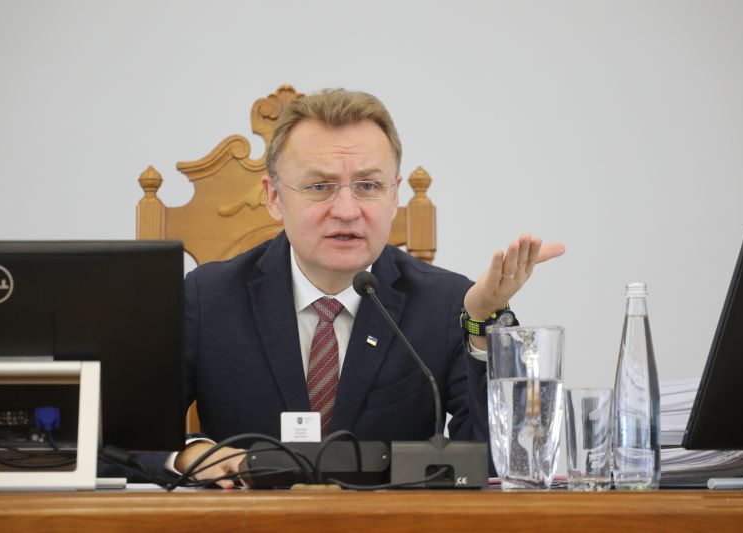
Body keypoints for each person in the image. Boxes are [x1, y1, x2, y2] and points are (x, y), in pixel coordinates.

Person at [172, 89, 565, 487]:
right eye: (320, 186)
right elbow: (133, 438)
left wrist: (482, 324)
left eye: (368, 186)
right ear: (274, 197)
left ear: (394, 196)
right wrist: (188, 453)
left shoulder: (448, 305)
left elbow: (504, 463)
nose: (346, 210)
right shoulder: (207, 298)